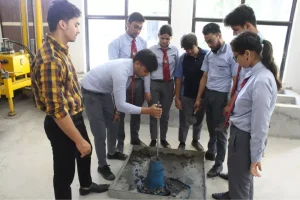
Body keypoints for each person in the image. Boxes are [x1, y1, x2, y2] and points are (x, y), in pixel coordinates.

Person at [30, 1, 109, 199]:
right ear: (62, 24)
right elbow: (57, 110)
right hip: (61, 122)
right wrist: (78, 140)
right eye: (76, 24)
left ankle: (86, 186)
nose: (78, 30)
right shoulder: (51, 60)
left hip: (74, 114)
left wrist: (81, 140)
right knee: (65, 173)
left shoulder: (61, 49)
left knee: (86, 151)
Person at [81, 50, 163, 179]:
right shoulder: (122, 71)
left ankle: (112, 153)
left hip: (106, 91)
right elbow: (122, 104)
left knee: (114, 122)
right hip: (91, 91)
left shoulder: (132, 72)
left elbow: (118, 95)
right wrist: (148, 111)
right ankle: (102, 165)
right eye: (146, 71)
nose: (146, 75)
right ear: (137, 64)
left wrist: (116, 110)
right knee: (100, 132)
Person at [220, 31, 280, 200]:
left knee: (240, 186)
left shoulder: (261, 80)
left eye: (235, 56)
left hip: (245, 138)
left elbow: (260, 123)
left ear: (247, 54)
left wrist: (256, 156)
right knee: (241, 183)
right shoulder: (253, 74)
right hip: (241, 134)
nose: (235, 61)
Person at [194, 23, 238, 178]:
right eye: (206, 42)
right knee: (212, 127)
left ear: (219, 35)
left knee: (221, 131)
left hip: (222, 96)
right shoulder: (209, 55)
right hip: (209, 95)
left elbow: (235, 80)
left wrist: (230, 103)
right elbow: (204, 77)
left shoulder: (231, 55)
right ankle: (211, 151)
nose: (209, 44)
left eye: (211, 40)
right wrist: (199, 97)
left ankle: (218, 165)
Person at [108, 12, 148, 153]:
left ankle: (135, 138)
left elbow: (146, 67)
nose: (137, 31)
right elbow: (113, 68)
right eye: (135, 27)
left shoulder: (143, 43)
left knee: (137, 111)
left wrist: (147, 89)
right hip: (122, 84)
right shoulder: (116, 44)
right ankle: (120, 142)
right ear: (127, 23)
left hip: (138, 83)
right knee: (121, 111)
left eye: (140, 28)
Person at [144, 24, 179, 148]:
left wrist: (176, 88)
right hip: (154, 84)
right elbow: (147, 72)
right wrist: (147, 90)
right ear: (158, 36)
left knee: (165, 114)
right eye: (162, 38)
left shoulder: (175, 51)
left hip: (168, 85)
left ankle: (163, 138)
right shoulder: (151, 50)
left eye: (167, 39)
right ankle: (154, 139)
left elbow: (176, 71)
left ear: (170, 38)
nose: (164, 41)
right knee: (154, 112)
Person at [174, 33, 208, 151]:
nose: (189, 52)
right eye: (186, 49)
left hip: (202, 95)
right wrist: (177, 98)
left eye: (191, 48)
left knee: (198, 119)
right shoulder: (182, 58)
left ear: (196, 44)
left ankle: (195, 140)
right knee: (184, 120)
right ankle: (182, 142)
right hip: (186, 95)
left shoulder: (207, 56)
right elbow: (178, 79)